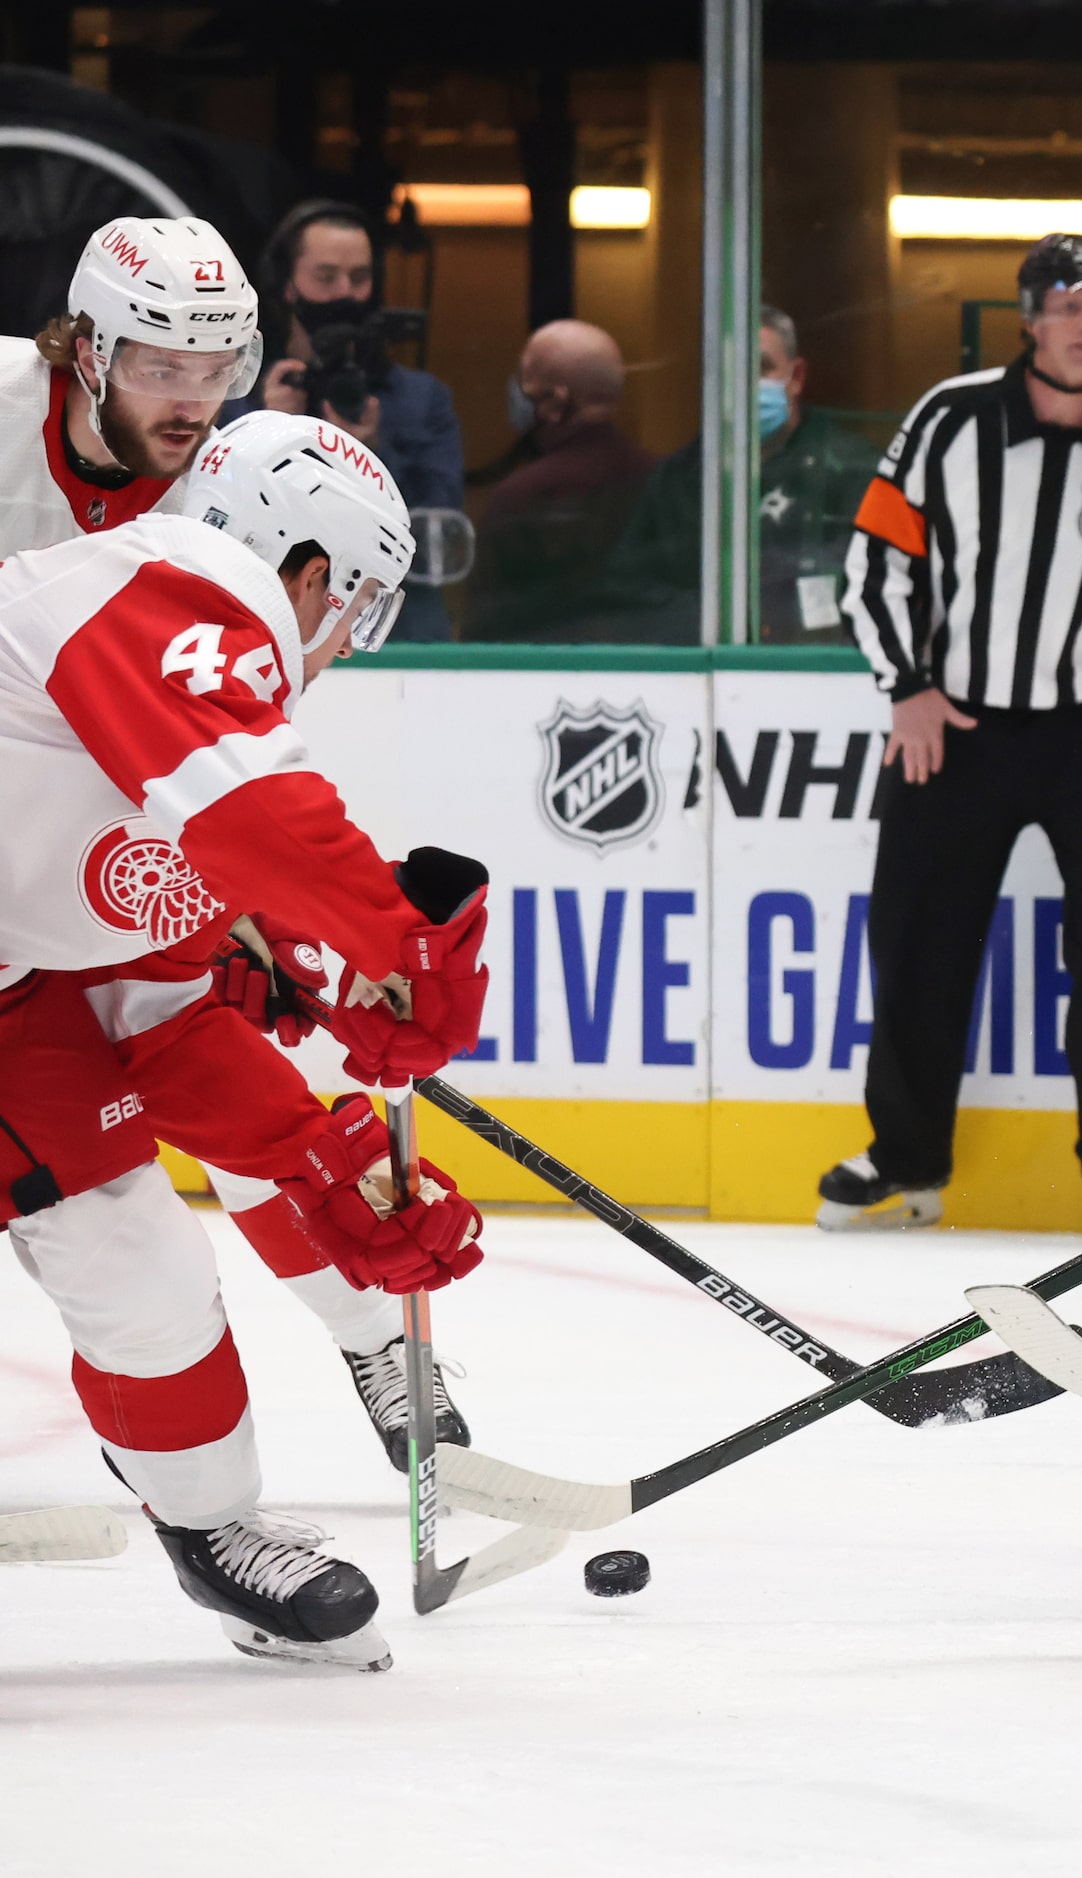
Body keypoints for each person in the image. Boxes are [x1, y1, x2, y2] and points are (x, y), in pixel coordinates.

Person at [0, 410, 494, 1669]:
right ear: (314, 569)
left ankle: (214, 1530)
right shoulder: (160, 589)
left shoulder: (162, 706)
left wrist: (317, 1160)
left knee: (140, 1270)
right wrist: (382, 935)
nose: (341, 647)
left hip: (19, 997)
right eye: (359, 608)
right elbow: (261, 813)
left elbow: (155, 1006)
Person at [819, 233, 1082, 1234]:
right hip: (956, 727)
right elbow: (877, 564)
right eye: (1068, 303)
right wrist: (905, 687)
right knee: (918, 943)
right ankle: (906, 1157)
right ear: (1030, 319)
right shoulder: (948, 421)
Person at [237, 199, 465, 642]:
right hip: (265, 629)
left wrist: (372, 458)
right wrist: (265, 431)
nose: (344, 292)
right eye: (325, 277)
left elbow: (441, 534)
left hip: (398, 636)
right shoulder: (244, 398)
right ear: (286, 284)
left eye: (359, 278)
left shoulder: (423, 400)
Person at [603, 303, 883, 642]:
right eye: (729, 371)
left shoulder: (851, 469)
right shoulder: (679, 477)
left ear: (796, 378)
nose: (745, 385)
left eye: (762, 368)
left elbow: (881, 583)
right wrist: (704, 617)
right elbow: (628, 584)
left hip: (815, 670)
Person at [0, 216, 259, 550]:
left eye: (216, 374)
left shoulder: (225, 497)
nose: (192, 411)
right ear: (93, 362)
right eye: (164, 374)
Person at [468, 318, 654, 640]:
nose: (517, 392)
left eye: (525, 380)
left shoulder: (521, 496)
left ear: (556, 402)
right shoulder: (663, 480)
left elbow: (484, 629)